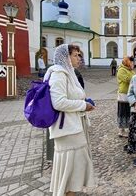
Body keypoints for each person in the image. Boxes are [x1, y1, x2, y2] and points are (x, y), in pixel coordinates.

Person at [45, 44, 95, 196]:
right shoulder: (59, 74)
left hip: (74, 126)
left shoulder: (70, 72)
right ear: (66, 57)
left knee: (74, 169)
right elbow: (58, 102)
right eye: (75, 55)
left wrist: (85, 101)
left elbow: (73, 94)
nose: (79, 58)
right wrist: (83, 105)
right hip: (66, 129)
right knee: (72, 169)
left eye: (79, 55)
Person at [116, 56, 135, 138]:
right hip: (123, 94)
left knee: (128, 111)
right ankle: (121, 130)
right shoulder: (121, 70)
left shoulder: (130, 70)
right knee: (122, 111)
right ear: (127, 62)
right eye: (131, 62)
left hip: (130, 93)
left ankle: (127, 129)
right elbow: (128, 79)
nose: (132, 63)